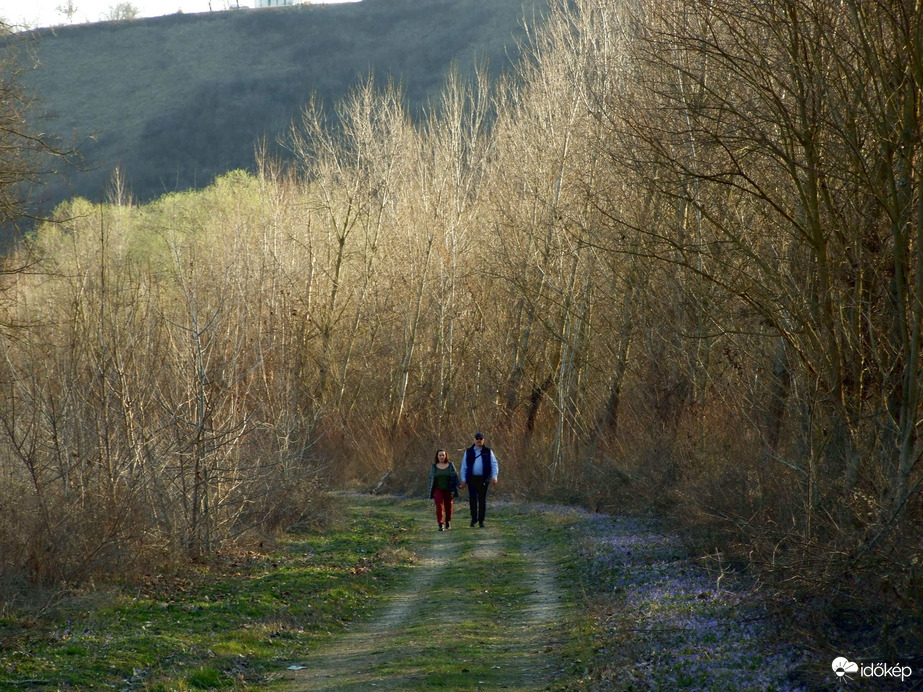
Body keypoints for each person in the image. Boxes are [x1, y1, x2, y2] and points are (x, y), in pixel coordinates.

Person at [458, 432, 498, 527]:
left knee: (482, 500)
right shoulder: (468, 452)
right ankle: (473, 520)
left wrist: (494, 476)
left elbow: (494, 464)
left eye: (481, 438)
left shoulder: (488, 452)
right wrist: (464, 479)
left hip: (483, 479)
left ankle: (481, 521)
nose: (479, 440)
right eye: (477, 438)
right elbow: (464, 467)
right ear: (474, 440)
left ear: (483, 440)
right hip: (472, 479)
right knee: (472, 500)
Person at [428, 449, 459, 531]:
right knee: (439, 505)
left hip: (449, 489)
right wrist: (431, 490)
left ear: (446, 456)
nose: (442, 457)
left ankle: (448, 521)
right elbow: (431, 479)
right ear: (437, 456)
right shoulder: (434, 467)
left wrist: (459, 485)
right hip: (438, 489)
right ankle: (440, 524)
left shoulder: (451, 465)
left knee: (448, 506)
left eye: (443, 455)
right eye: (440, 455)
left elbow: (455, 476)